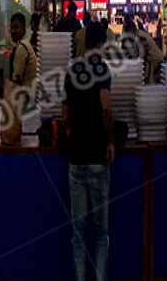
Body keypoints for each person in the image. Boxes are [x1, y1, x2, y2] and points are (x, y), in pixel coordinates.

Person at [63, 20, 114, 281]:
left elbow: (66, 113)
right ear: (101, 43)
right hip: (96, 158)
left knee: (79, 233)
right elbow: (106, 108)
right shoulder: (103, 71)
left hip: (75, 159)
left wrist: (73, 134)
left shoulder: (72, 71)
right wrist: (109, 141)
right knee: (101, 233)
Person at [7, 13, 38, 122]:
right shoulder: (26, 45)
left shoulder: (21, 48)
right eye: (11, 28)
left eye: (16, 27)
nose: (13, 31)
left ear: (24, 29)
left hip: (26, 103)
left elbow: (16, 81)